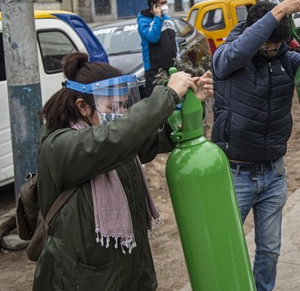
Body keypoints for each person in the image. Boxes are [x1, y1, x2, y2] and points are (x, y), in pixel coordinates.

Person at [33, 52, 213, 290]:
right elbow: (113, 138)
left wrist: (193, 102)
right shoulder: (60, 147)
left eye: (124, 104)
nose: (121, 112)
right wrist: (167, 95)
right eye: (113, 106)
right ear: (83, 107)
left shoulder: (117, 138)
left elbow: (158, 136)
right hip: (83, 281)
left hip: (129, 275)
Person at [210, 0, 300, 291]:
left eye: (277, 44)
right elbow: (239, 52)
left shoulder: (286, 60)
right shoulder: (227, 58)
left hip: (273, 174)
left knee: (270, 250)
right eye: (267, 42)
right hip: (235, 174)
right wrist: (280, 10)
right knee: (227, 247)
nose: (271, 49)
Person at [137, 0, 177, 98]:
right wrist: (157, 17)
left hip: (171, 68)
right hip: (155, 71)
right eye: (162, 3)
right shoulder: (144, 22)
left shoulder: (168, 19)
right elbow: (152, 37)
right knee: (155, 102)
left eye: (165, 2)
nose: (165, 6)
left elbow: (174, 41)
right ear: (153, 5)